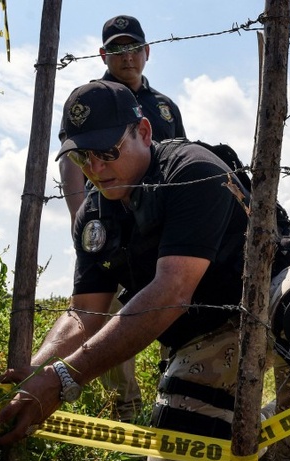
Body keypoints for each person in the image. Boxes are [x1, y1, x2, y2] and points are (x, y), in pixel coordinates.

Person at [0, 80, 290, 461]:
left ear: (144, 132)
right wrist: (38, 370)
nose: (97, 168)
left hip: (269, 297)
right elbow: (83, 312)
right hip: (204, 336)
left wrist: (65, 379)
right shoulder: (95, 214)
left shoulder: (191, 169)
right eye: (83, 157)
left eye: (108, 151)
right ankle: (261, 437)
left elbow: (171, 291)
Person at [59, 15, 187, 421]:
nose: (126, 56)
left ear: (146, 52)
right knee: (106, 312)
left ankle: (177, 397)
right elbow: (72, 161)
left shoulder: (165, 108)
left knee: (174, 303)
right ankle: (125, 408)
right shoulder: (90, 100)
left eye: (133, 47)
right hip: (112, 226)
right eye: (115, 48)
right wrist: (82, 215)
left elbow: (180, 157)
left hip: (161, 223)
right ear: (103, 55)